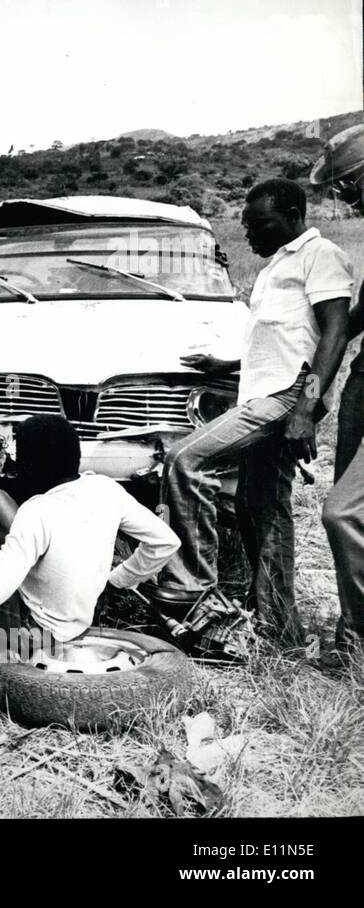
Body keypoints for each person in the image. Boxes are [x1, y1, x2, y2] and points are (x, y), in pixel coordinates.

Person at [153, 179, 354, 650]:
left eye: (259, 223)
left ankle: (196, 595)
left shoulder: (318, 255)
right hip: (264, 393)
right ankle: (281, 631)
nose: (249, 233)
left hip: (287, 397)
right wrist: (225, 364)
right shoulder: (273, 268)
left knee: (186, 460)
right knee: (261, 509)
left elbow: (335, 333)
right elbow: (283, 341)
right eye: (246, 224)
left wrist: (306, 408)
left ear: (292, 214)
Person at [0, 415, 180, 679]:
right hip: (78, 620)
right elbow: (166, 541)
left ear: (33, 465)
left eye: (20, 458)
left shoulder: (37, 512)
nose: (15, 465)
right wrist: (117, 581)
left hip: (27, 638)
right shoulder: (106, 488)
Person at [312, 124, 364, 669]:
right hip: (361, 384)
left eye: (350, 184)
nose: (346, 198)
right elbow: (353, 321)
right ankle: (350, 636)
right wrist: (311, 377)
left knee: (342, 514)